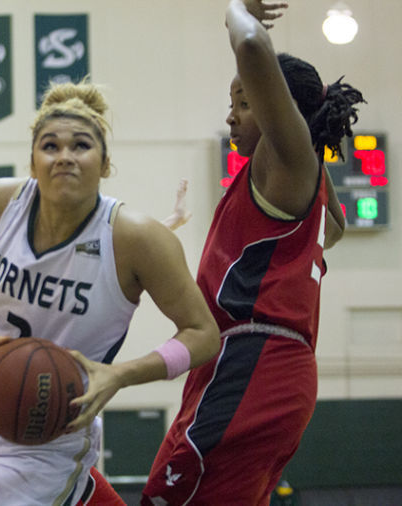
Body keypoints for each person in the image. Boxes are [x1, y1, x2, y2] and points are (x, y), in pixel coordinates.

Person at [0, 80, 220, 505]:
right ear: (32, 162)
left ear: (106, 163)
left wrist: (121, 375)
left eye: (81, 146)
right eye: (50, 146)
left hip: (51, 424)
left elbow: (202, 334)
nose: (65, 156)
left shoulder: (138, 238)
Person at [142, 1, 365, 505]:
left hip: (254, 362)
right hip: (246, 363)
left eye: (243, 101)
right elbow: (336, 230)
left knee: (168, 497)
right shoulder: (297, 175)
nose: (230, 115)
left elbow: (249, 44)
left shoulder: (285, 160)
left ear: (273, 105)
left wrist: (236, 9)